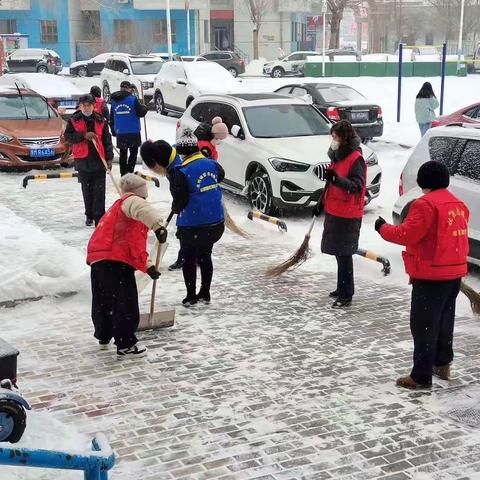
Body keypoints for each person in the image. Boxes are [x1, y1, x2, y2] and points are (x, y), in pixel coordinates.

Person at [375, 161, 469, 389]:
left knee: (423, 326)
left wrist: (382, 228)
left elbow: (407, 234)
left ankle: (420, 376)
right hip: (453, 273)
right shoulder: (458, 204)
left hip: (431, 275)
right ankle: (442, 363)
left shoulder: (424, 205)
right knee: (445, 321)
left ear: (423, 180)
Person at [87, 173, 168, 358]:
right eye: (145, 196)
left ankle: (104, 335)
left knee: (103, 301)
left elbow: (133, 248)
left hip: (99, 258)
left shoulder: (119, 211)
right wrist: (158, 227)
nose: (145, 200)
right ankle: (126, 344)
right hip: (115, 262)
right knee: (125, 303)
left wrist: (148, 267)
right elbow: (143, 210)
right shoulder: (132, 200)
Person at [313, 120, 366, 308]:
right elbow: (330, 184)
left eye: (335, 137)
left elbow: (357, 186)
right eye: (332, 136)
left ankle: (346, 294)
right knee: (338, 252)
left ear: (344, 138)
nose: (332, 140)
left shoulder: (355, 159)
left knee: (344, 254)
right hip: (335, 209)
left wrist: (337, 179)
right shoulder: (337, 156)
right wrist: (320, 203)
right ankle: (340, 287)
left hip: (348, 213)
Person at [65, 93, 113, 227]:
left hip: (99, 160)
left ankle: (99, 217)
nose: (86, 108)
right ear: (80, 106)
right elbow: (68, 137)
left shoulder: (101, 120)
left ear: (94, 106)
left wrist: (109, 159)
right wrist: (83, 136)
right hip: (83, 161)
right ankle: (89, 214)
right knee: (87, 190)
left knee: (99, 191)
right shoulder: (74, 120)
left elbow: (107, 141)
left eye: (89, 105)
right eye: (83, 106)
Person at [140, 139, 184, 271]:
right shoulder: (169, 154)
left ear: (157, 163)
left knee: (184, 230)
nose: (155, 171)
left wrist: (178, 204)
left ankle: (186, 257)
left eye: (153, 168)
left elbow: (183, 194)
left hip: (193, 203)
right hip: (187, 202)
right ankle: (192, 256)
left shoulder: (177, 169)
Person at [110, 81, 148, 176]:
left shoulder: (114, 101)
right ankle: (130, 171)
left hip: (120, 131)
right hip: (133, 130)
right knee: (133, 152)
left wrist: (113, 130)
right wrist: (144, 107)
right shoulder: (132, 99)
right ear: (129, 88)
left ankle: (123, 173)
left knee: (123, 153)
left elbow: (112, 117)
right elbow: (141, 113)